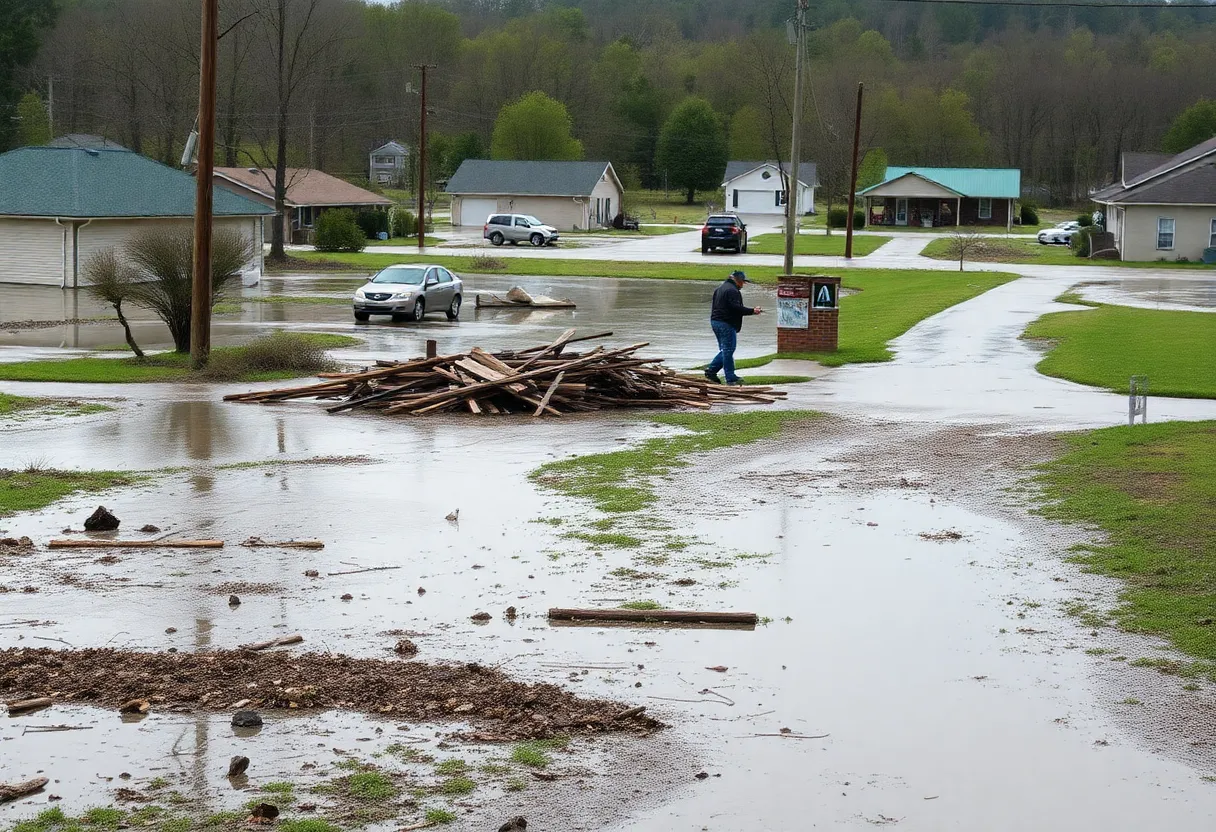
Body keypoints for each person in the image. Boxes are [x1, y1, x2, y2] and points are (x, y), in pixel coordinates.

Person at [705, 269, 763, 386]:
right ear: (738, 280)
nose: (743, 284)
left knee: (726, 349)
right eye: (743, 282)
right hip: (726, 323)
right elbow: (735, 308)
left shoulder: (720, 288)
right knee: (728, 349)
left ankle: (713, 372)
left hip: (715, 322)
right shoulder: (732, 291)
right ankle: (728, 377)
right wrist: (753, 311)